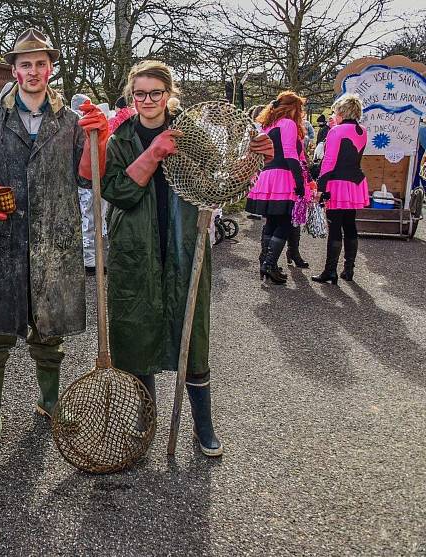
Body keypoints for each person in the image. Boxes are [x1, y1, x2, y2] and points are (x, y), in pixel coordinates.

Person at [101, 60, 271, 457]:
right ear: (131, 96)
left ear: (169, 94)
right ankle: (146, 421)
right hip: (136, 247)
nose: (147, 101)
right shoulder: (121, 138)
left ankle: (203, 425)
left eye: (155, 93)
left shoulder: (191, 133)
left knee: (191, 332)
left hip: (184, 244)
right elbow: (117, 193)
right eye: (139, 94)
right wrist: (154, 154)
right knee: (139, 330)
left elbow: (220, 183)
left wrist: (253, 159)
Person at [0, 28, 107, 443]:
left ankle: (50, 401)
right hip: (4, 244)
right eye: (25, 64)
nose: (33, 71)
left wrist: (99, 140)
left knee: (49, 332)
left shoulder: (71, 124)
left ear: (50, 69)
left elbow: (89, 178)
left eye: (40, 64)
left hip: (53, 243)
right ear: (13, 70)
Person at [246, 91, 308, 285]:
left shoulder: (268, 125)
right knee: (285, 221)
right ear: (292, 108)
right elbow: (290, 155)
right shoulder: (287, 124)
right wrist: (299, 183)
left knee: (272, 220)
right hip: (283, 177)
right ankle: (269, 263)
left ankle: (265, 261)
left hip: (267, 175)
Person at [312, 94, 369, 284]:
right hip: (355, 183)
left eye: (336, 111)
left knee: (335, 226)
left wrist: (320, 187)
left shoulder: (336, 131)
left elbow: (329, 162)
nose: (334, 114)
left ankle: (330, 271)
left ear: (342, 111)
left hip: (337, 183)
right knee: (350, 225)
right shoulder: (363, 131)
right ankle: (349, 270)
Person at [71, 92, 109, 275]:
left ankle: (94, 258)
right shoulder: (72, 124)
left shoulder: (92, 122)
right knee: (89, 220)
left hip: (90, 180)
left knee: (92, 219)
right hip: (82, 183)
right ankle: (89, 261)